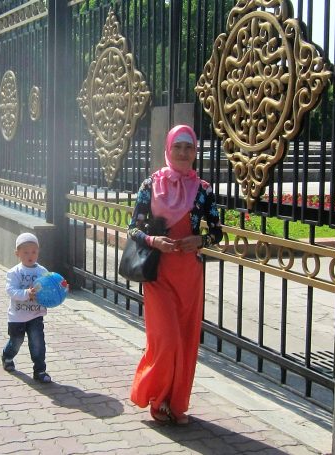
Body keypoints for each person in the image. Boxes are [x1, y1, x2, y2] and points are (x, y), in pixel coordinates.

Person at [128, 124, 222, 425]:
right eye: (177, 147)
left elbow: (217, 231)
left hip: (189, 275)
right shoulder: (150, 185)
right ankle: (156, 397)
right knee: (166, 340)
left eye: (188, 147)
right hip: (159, 273)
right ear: (168, 149)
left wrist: (201, 240)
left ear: (195, 152)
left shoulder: (203, 189)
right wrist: (153, 240)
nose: (183, 152)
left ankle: (175, 403)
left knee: (185, 339)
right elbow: (133, 229)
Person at [1, 232, 52, 383]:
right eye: (26, 252)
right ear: (17, 253)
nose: (30, 255)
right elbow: (11, 291)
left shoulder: (42, 271)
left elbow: (51, 286)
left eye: (34, 252)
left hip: (36, 314)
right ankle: (7, 356)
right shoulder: (14, 272)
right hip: (17, 316)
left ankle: (40, 370)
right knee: (16, 341)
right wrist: (26, 293)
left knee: (38, 343)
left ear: (38, 252)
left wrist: (61, 288)